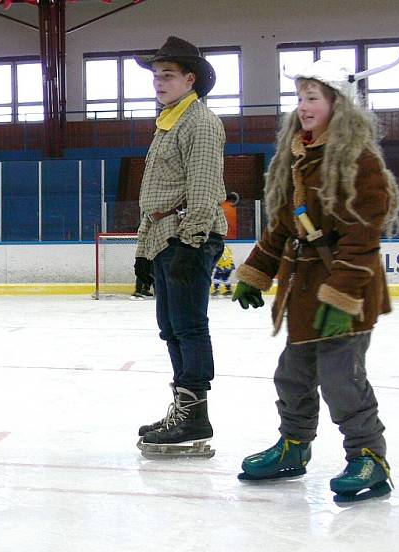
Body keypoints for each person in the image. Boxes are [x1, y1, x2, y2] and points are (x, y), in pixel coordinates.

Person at [232, 59, 399, 503]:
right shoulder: (298, 157)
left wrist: (340, 297)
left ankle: (368, 457)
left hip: (349, 291)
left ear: (338, 105)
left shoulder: (359, 162)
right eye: (300, 98)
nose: (303, 107)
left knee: (342, 379)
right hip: (304, 292)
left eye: (313, 98)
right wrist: (256, 271)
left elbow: (362, 240)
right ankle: (293, 446)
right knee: (292, 375)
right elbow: (286, 226)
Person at [132, 36, 227, 458]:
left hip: (187, 235)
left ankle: (194, 412)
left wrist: (191, 244)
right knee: (171, 328)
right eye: (156, 76)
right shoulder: (168, 121)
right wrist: (141, 252)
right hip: (163, 237)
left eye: (167, 75)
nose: (158, 82)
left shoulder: (200, 124)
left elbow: (204, 191)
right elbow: (154, 195)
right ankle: (184, 407)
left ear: (190, 79)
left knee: (189, 326)